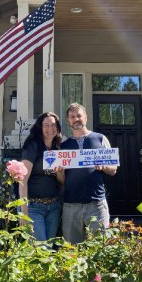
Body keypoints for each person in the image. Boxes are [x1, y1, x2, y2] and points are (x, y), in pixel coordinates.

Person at [59, 103, 117, 244]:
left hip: (96, 204)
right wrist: (59, 171)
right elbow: (61, 181)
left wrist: (104, 167)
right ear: (68, 120)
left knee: (101, 248)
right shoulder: (63, 146)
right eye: (72, 117)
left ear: (86, 117)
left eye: (79, 115)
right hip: (71, 205)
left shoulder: (100, 139)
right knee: (72, 250)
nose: (76, 119)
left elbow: (113, 169)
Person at [19, 112, 62, 242]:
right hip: (33, 207)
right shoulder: (33, 146)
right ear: (40, 127)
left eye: (53, 125)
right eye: (46, 125)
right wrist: (23, 211)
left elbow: (62, 181)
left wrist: (60, 172)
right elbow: (22, 180)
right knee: (39, 247)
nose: (50, 129)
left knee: (48, 247)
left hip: (53, 206)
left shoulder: (57, 148)